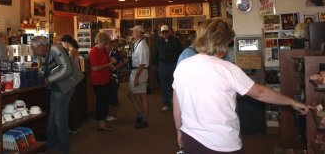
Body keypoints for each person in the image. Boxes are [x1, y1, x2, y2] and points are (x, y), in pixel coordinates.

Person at [173, 18, 310, 154]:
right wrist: (291, 102)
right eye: (227, 43)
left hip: (190, 138)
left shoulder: (182, 66)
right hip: (222, 143)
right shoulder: (227, 68)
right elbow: (261, 93)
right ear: (221, 42)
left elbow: (177, 105)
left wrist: (179, 130)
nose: (227, 48)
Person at [31, 36, 84, 154]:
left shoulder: (55, 49)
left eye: (34, 48)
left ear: (42, 46)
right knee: (54, 118)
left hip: (64, 86)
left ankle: (62, 148)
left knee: (59, 119)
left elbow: (67, 69)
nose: (33, 51)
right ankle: (53, 145)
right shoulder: (46, 53)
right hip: (60, 86)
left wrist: (49, 80)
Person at [152, 25, 183, 111]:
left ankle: (176, 102)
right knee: (164, 85)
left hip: (173, 65)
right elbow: (155, 54)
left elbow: (181, 53)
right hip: (162, 66)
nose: (165, 33)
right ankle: (166, 103)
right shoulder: (158, 42)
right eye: (163, 32)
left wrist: (180, 65)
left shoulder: (176, 41)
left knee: (175, 85)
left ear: (169, 31)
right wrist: (154, 65)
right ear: (161, 33)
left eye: (166, 31)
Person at [89, 32, 115, 131]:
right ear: (99, 41)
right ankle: (101, 123)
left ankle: (103, 122)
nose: (106, 45)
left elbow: (109, 62)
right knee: (101, 102)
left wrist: (112, 63)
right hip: (98, 81)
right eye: (104, 43)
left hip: (106, 79)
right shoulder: (94, 51)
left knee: (105, 101)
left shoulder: (103, 50)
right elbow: (95, 68)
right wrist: (108, 65)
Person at [128, 25, 150, 129]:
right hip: (136, 71)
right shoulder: (138, 43)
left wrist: (137, 77)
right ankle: (140, 114)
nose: (132, 33)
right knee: (131, 94)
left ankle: (144, 119)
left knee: (142, 96)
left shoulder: (143, 45)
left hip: (140, 72)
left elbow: (142, 63)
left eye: (134, 31)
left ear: (139, 33)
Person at [61, 34, 82, 134]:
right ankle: (76, 126)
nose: (62, 45)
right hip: (76, 77)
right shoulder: (75, 50)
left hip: (72, 78)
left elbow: (68, 66)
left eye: (62, 43)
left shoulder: (72, 51)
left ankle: (73, 127)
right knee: (75, 102)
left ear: (66, 42)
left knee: (72, 103)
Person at [106, 39, 124, 121]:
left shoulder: (114, 52)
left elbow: (121, 62)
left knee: (113, 95)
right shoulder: (104, 52)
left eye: (109, 43)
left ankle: (114, 115)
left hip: (113, 76)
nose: (108, 45)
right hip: (106, 76)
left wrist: (115, 68)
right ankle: (109, 114)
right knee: (109, 96)